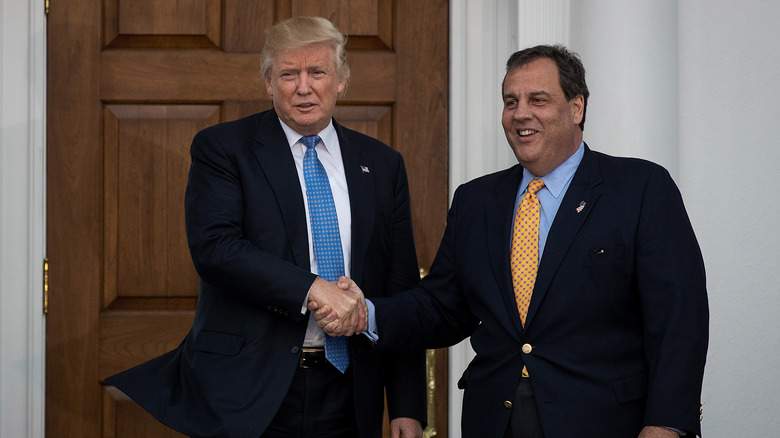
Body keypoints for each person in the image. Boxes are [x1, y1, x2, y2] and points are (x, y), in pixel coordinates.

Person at [312, 45, 709, 438]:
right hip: (494, 418)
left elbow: (679, 321)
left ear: (577, 107)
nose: (520, 114)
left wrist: (666, 425)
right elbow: (441, 308)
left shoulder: (639, 189)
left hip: (604, 420)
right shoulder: (476, 201)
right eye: (510, 101)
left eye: (538, 100)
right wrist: (366, 313)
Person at [106, 16, 426, 438]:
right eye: (288, 74)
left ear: (342, 80)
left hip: (349, 390)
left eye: (317, 72)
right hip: (249, 390)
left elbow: (399, 285)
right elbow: (216, 249)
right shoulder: (224, 149)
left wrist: (406, 404)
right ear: (268, 83)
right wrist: (314, 288)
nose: (304, 87)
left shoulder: (382, 164)